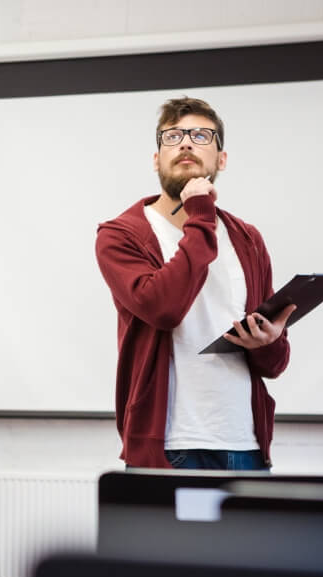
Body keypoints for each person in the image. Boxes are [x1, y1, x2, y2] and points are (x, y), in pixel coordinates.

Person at [95, 97, 295, 470]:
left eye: (201, 135)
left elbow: (275, 364)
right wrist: (201, 214)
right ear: (156, 159)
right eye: (172, 136)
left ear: (222, 159)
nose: (186, 143)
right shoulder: (121, 235)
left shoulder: (247, 238)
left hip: (245, 445)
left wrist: (268, 342)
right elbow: (163, 308)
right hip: (170, 446)